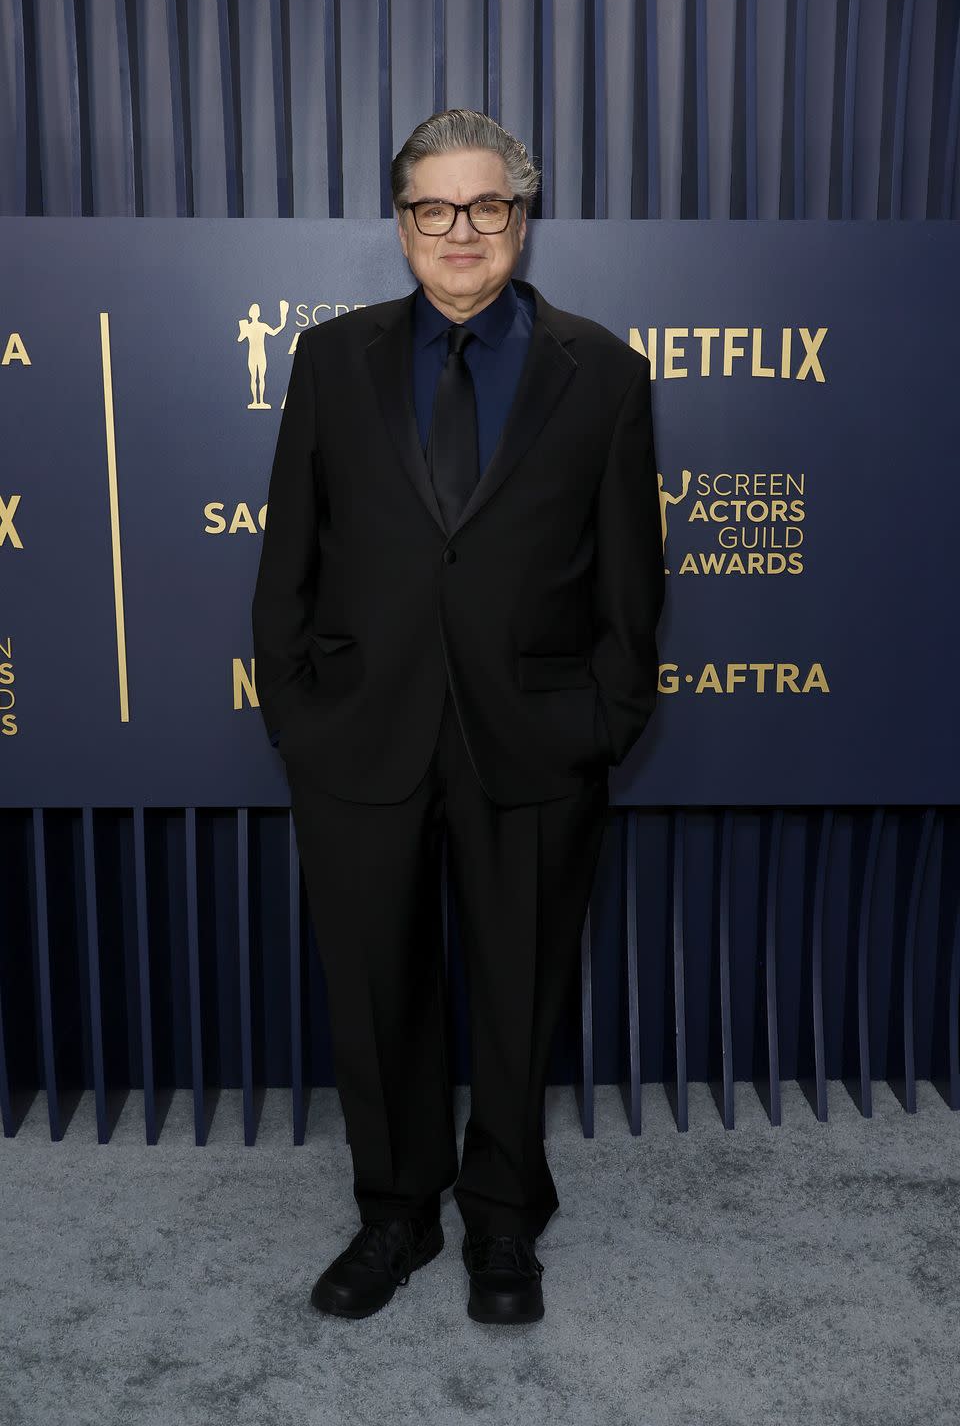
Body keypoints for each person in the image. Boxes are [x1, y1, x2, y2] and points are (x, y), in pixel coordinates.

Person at [251, 108, 664, 1325]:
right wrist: (297, 713)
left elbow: (633, 583)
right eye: (434, 209)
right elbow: (289, 560)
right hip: (361, 737)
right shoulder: (332, 363)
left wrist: (607, 718)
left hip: (535, 739)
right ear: (402, 226)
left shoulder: (606, 373)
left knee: (520, 990)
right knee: (378, 990)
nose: (461, 233)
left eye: (486, 207)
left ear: (520, 222)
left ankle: (503, 1219)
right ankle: (394, 1215)